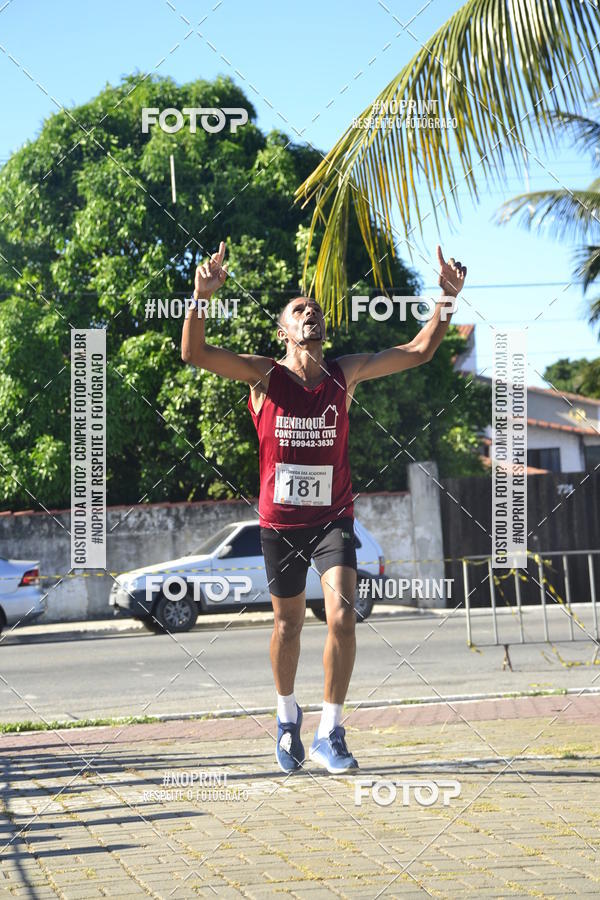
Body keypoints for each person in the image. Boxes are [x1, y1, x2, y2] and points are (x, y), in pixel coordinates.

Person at [181, 241, 466, 774]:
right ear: (283, 330)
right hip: (280, 523)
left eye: (315, 308)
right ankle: (287, 716)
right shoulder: (266, 376)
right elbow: (194, 355)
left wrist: (446, 299)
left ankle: (330, 732)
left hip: (333, 518)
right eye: (298, 309)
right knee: (288, 626)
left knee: (342, 617)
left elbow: (419, 350)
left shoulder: (345, 373)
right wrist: (199, 297)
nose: (309, 312)